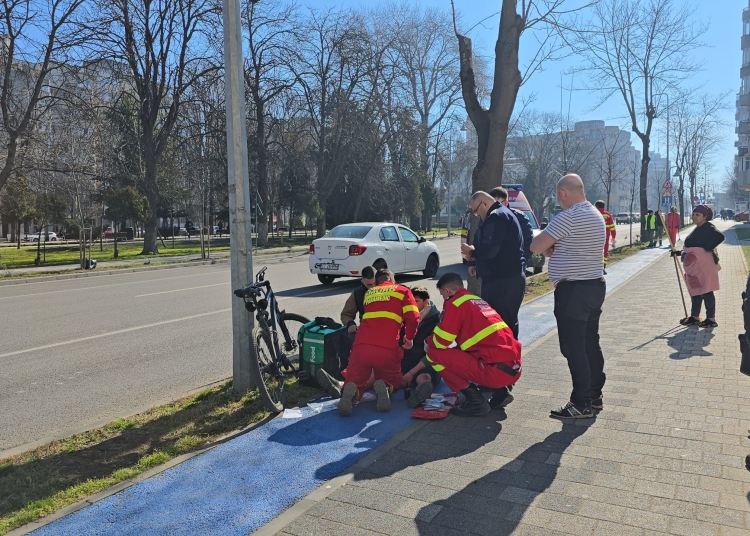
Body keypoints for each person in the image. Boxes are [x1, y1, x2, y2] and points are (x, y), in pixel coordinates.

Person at [530, 174, 606, 419]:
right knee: (590, 343)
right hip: (595, 285)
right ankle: (594, 396)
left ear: (562, 192)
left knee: (574, 348)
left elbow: (535, 246)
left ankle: (580, 402)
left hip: (573, 291)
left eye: (557, 195)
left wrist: (550, 246)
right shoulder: (595, 215)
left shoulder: (568, 217)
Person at [409, 272, 522, 417]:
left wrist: (427, 342)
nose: (443, 298)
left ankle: (476, 402)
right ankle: (501, 393)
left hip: (495, 372)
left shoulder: (454, 303)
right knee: (464, 352)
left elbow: (442, 341)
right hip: (512, 369)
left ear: (447, 291)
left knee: (433, 354)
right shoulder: (476, 300)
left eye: (442, 294)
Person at [337, 269, 419, 416]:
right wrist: (409, 337)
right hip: (387, 347)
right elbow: (413, 317)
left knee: (356, 377)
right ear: (392, 279)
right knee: (393, 378)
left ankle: (352, 391)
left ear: (377, 281)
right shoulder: (402, 291)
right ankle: (386, 387)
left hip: (361, 345)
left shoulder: (369, 293)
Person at [460, 191, 525, 340]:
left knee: (503, 324)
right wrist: (473, 260)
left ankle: (509, 360)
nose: (477, 215)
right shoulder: (491, 216)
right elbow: (479, 240)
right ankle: (503, 359)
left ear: (485, 203)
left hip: (505, 280)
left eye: (476, 210)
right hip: (498, 279)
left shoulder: (497, 217)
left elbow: (491, 250)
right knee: (496, 323)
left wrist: (472, 252)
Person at [679, 205, 724, 328]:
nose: (694, 217)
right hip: (694, 267)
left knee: (706, 291)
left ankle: (711, 319)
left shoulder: (709, 227)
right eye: (693, 215)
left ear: (705, 216)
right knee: (696, 291)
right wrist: (679, 253)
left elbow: (720, 236)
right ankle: (694, 317)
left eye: (697, 215)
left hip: (704, 266)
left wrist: (707, 248)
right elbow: (692, 244)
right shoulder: (698, 228)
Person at [400, 286, 442, 407]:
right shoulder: (405, 316)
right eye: (411, 301)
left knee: (424, 377)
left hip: (424, 363)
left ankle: (423, 390)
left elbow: (433, 354)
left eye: (416, 301)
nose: (412, 304)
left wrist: (412, 373)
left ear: (426, 302)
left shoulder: (436, 321)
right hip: (404, 360)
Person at [490, 186, 533, 274]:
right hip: (493, 268)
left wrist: (521, 260)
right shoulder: (488, 218)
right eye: (492, 204)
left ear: (506, 202)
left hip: (515, 267)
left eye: (498, 203)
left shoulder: (520, 217)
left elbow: (528, 241)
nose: (495, 207)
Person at [340, 266, 377, 335]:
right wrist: (350, 324)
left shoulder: (388, 290)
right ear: (362, 281)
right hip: (367, 332)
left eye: (375, 283)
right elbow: (346, 314)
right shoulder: (357, 294)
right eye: (369, 285)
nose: (373, 287)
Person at [594, 200, 616, 271]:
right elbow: (612, 226)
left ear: (597, 206)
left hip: (595, 236)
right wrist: (613, 236)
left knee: (595, 251)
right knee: (605, 251)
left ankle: (596, 266)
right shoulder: (607, 214)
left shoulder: (594, 213)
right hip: (605, 236)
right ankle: (603, 267)